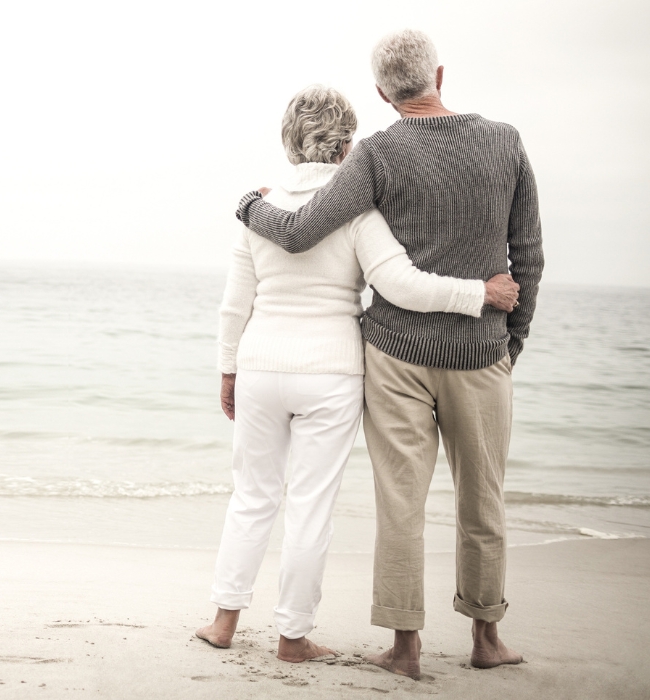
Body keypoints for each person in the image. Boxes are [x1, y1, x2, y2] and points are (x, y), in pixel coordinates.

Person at [233, 30, 543, 679]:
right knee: (483, 498)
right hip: (482, 353)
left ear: (381, 92)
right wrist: (508, 344)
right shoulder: (506, 142)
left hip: (395, 354)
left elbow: (296, 232)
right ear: (437, 71)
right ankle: (487, 639)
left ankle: (404, 650)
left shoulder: (375, 155)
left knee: (400, 502)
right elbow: (528, 256)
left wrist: (246, 207)